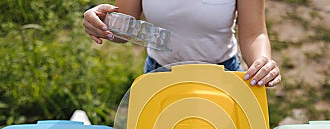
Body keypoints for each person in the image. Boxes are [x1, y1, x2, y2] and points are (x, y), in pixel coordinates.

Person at [83, 0, 281, 87]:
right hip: (160, 75)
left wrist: (262, 62)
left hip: (223, 75)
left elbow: (253, 33)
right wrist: (102, 23)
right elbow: (124, 29)